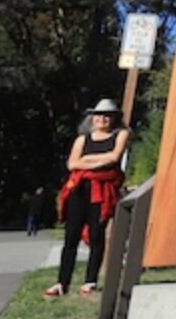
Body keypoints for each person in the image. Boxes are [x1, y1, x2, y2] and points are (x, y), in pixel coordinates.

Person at [46, 99, 128, 297]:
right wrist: (97, 161)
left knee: (97, 235)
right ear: (92, 118)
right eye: (98, 115)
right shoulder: (82, 140)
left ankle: (90, 281)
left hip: (103, 192)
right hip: (79, 190)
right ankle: (61, 282)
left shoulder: (121, 134)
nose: (102, 119)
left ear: (115, 118)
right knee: (71, 237)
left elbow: (114, 158)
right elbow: (72, 164)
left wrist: (86, 161)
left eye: (107, 115)